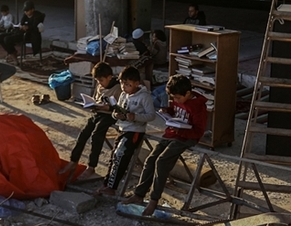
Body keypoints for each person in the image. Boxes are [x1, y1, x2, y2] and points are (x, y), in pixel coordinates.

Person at [122, 74, 208, 216]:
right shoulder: (178, 97)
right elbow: (176, 111)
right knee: (150, 160)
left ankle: (154, 200)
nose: (176, 100)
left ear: (188, 93)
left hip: (186, 138)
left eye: (178, 98)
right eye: (174, 98)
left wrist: (180, 130)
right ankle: (139, 194)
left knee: (162, 162)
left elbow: (198, 132)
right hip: (171, 134)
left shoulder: (198, 107)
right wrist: (167, 111)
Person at [95, 66, 155, 196]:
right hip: (123, 128)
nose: (123, 87)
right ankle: (107, 184)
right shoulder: (123, 94)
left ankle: (113, 187)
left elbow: (151, 115)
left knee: (120, 156)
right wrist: (115, 115)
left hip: (135, 131)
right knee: (114, 157)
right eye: (122, 83)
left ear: (136, 84)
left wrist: (135, 117)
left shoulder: (144, 96)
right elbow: (118, 110)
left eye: (127, 85)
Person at [63, 62, 122, 182]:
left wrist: (108, 108)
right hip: (99, 112)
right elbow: (96, 99)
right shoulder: (99, 85)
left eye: (101, 80)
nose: (99, 83)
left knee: (96, 135)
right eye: (97, 81)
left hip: (110, 115)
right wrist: (93, 105)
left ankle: (92, 166)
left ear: (109, 77)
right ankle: (74, 160)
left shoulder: (118, 88)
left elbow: (120, 107)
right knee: (84, 133)